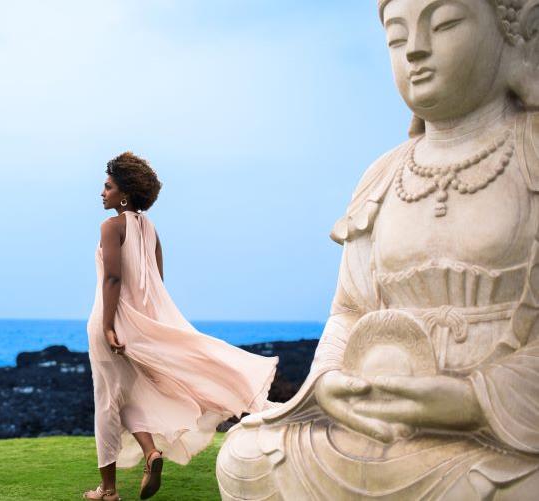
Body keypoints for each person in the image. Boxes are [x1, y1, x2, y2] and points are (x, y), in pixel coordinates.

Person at [216, 0, 539, 499]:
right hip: (377, 425)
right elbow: (350, 308)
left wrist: (475, 400)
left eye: (445, 23)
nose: (416, 50)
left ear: (516, 34)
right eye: (396, 36)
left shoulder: (531, 153)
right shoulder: (383, 176)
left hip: (499, 429)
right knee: (244, 459)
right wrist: (327, 382)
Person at [83, 152, 278, 500]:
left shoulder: (111, 227)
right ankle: (151, 453)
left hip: (110, 321)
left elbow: (112, 278)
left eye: (108, 186)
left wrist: (110, 326)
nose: (102, 192)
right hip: (139, 325)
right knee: (132, 398)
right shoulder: (150, 229)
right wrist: (148, 329)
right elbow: (156, 281)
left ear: (124, 194)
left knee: (107, 403)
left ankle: (108, 491)